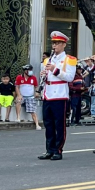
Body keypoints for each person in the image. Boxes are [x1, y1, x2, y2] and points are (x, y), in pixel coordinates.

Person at [38, 32, 77, 161]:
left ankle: (58, 150)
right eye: (53, 43)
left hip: (59, 94)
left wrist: (55, 69)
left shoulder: (69, 59)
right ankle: (49, 149)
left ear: (64, 44)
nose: (54, 46)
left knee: (59, 125)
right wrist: (43, 74)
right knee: (48, 124)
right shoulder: (47, 59)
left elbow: (70, 77)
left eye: (57, 43)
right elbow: (44, 77)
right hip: (48, 94)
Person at [15, 65, 40, 130]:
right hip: (22, 96)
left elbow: (36, 86)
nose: (30, 72)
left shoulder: (33, 78)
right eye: (29, 70)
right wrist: (19, 95)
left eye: (31, 70)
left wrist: (36, 92)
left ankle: (37, 124)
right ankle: (18, 117)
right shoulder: (19, 77)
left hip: (30, 96)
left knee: (33, 111)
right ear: (25, 71)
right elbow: (17, 87)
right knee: (18, 101)